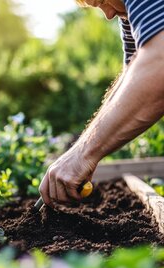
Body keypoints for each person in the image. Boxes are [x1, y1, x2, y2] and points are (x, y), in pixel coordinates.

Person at [39, 0, 164, 207]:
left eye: (103, 0)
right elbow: (132, 76)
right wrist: (82, 150)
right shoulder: (128, 12)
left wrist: (83, 154)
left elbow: (158, 68)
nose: (107, 14)